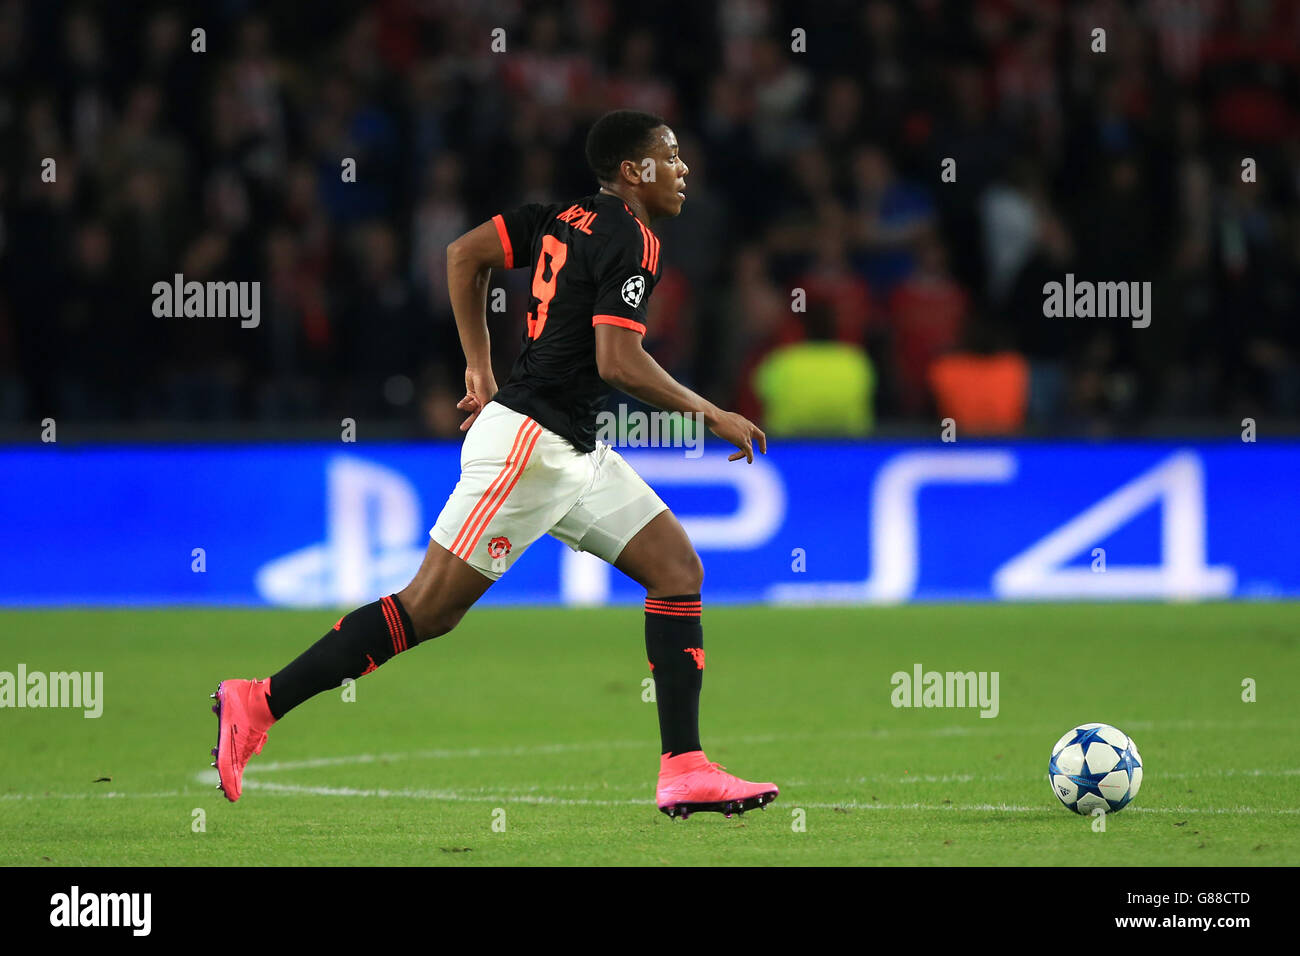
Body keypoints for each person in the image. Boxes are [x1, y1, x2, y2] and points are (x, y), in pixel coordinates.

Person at [210, 110, 778, 820]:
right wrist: (711, 412)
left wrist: (479, 368)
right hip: (529, 446)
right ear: (633, 171)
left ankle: (685, 767)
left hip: (572, 447)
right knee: (428, 610)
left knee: (676, 570)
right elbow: (617, 360)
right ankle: (258, 701)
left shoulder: (555, 217)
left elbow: (461, 255)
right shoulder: (634, 238)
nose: (683, 167)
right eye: (669, 155)